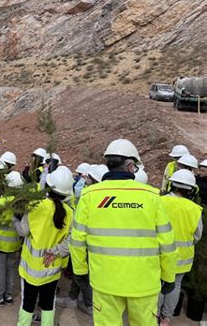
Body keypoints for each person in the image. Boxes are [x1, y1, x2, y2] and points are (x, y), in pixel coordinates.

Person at [69, 139, 177, 326]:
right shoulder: (151, 196)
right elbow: (167, 244)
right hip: (144, 283)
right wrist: (168, 276)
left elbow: (77, 240)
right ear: (129, 166)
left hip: (105, 282)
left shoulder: (89, 196)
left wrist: (80, 271)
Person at [14, 166, 74, 326]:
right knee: (48, 304)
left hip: (31, 270)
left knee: (27, 304)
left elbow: (23, 231)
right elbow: (70, 241)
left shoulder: (36, 205)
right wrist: (56, 251)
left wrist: (15, 219)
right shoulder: (69, 212)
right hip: (52, 269)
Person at [56, 165, 108, 316]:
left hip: (88, 242)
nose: (86, 180)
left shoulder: (91, 196)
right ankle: (72, 298)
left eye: (89, 178)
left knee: (85, 274)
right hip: (91, 241)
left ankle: (89, 304)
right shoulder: (103, 196)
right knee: (79, 271)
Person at [158, 169, 203, 326]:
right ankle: (167, 317)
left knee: (159, 284)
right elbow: (197, 235)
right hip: (183, 257)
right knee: (175, 285)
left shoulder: (160, 202)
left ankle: (154, 314)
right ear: (191, 189)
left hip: (160, 253)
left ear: (172, 184)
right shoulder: (194, 209)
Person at [0, 171, 23, 307]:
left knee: (0, 270)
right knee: (10, 269)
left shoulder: (0, 202)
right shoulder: (21, 205)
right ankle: (8, 295)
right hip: (14, 244)